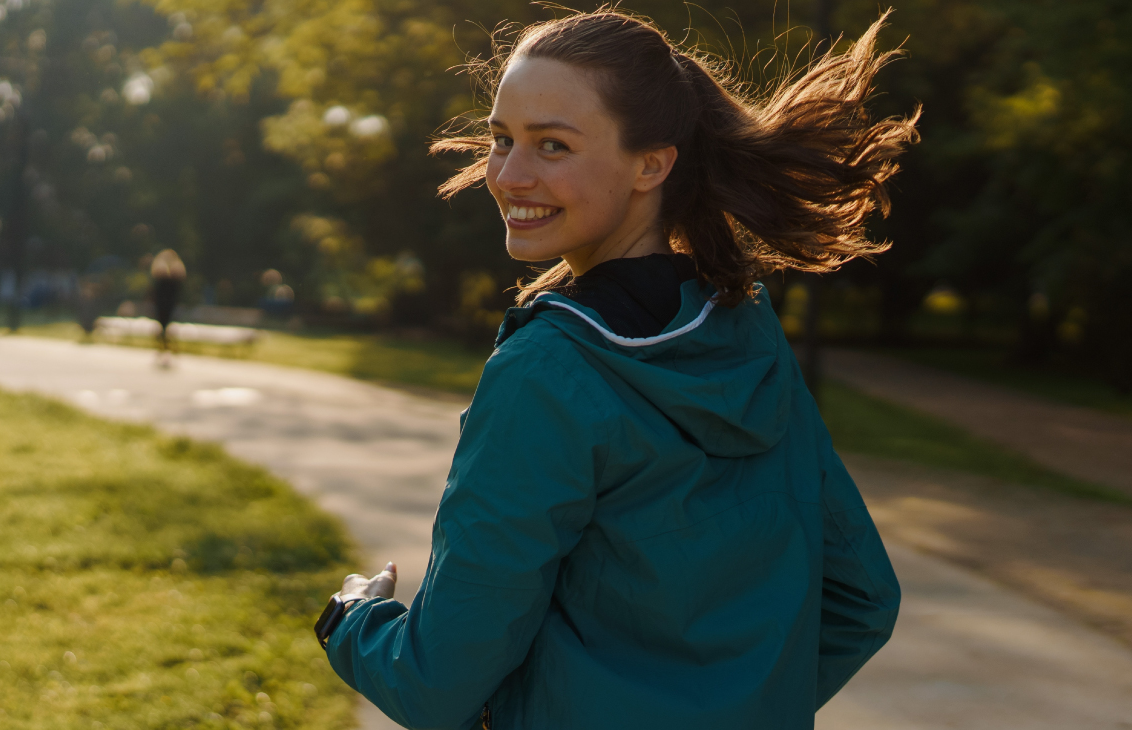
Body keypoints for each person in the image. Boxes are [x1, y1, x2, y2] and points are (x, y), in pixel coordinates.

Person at [316, 9, 919, 729]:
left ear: (651, 164)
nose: (508, 175)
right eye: (501, 140)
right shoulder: (747, 334)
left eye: (553, 146)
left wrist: (349, 618)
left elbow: (437, 683)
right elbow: (862, 600)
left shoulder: (545, 373)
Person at [149, 249, 186, 363]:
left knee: (167, 326)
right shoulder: (161, 274)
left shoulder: (175, 274)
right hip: (163, 304)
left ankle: (167, 346)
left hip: (169, 304)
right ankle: (164, 346)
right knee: (163, 326)